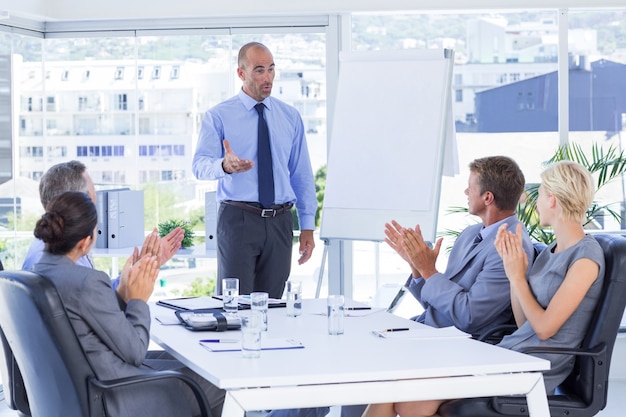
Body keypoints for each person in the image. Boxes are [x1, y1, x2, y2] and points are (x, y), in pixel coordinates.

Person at [272, 155, 536, 417]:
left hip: (456, 346)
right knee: (344, 354)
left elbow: (469, 316)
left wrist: (429, 270)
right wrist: (418, 269)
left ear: (487, 197)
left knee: (358, 363)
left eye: (471, 186)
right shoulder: (471, 235)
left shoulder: (510, 246)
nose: (466, 191)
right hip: (426, 333)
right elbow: (440, 301)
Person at [362, 160, 606, 417]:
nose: (535, 202)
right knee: (402, 397)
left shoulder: (586, 257)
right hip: (511, 352)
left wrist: (518, 278)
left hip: (534, 365)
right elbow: (525, 323)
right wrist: (516, 277)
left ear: (553, 200)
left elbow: (545, 329)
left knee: (407, 401)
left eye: (541, 194)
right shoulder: (550, 252)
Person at [32, 191, 226, 417]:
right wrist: (138, 299)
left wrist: (124, 290)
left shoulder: (37, 276)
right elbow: (135, 352)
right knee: (221, 381)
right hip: (118, 396)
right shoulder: (86, 282)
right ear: (86, 242)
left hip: (84, 389)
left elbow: (90, 326)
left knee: (195, 364)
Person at [192, 41, 317, 298]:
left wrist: (307, 226)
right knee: (234, 306)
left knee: (272, 307)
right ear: (241, 73)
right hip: (239, 219)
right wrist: (224, 166)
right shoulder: (219, 116)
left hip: (280, 222)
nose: (267, 77)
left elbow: (301, 174)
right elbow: (199, 165)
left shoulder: (290, 116)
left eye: (271, 69)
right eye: (259, 70)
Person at [21, 160, 185, 283]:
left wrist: (143, 268)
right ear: (76, 203)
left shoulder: (49, 246)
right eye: (93, 198)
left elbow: (98, 301)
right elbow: (100, 306)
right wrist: (138, 298)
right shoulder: (61, 262)